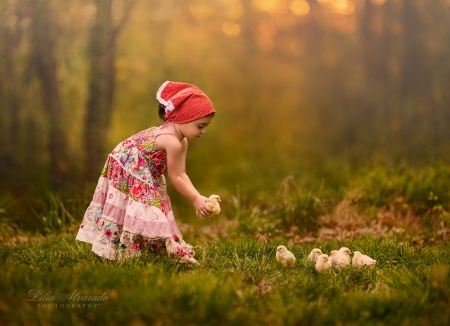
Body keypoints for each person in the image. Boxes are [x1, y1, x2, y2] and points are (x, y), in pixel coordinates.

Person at [75, 81, 215, 264]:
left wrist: (199, 197)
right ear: (184, 117)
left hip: (143, 169)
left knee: (155, 205)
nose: (204, 131)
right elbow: (174, 177)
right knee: (149, 206)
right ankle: (124, 251)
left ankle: (152, 249)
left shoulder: (182, 142)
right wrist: (194, 200)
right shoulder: (171, 142)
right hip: (127, 164)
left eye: (206, 126)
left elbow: (182, 174)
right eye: (200, 125)